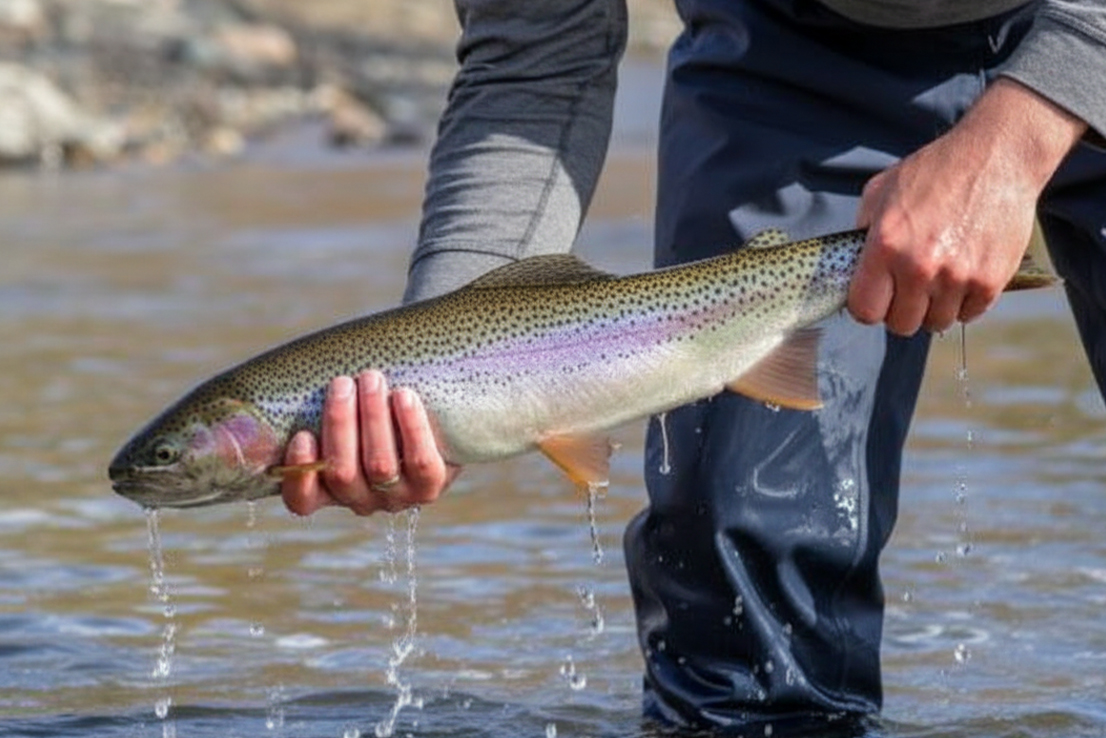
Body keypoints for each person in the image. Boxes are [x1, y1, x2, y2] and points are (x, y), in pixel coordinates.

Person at [280, 0, 1106, 733]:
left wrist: (1015, 139)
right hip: (794, 54)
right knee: (739, 605)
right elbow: (536, 58)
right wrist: (441, 370)